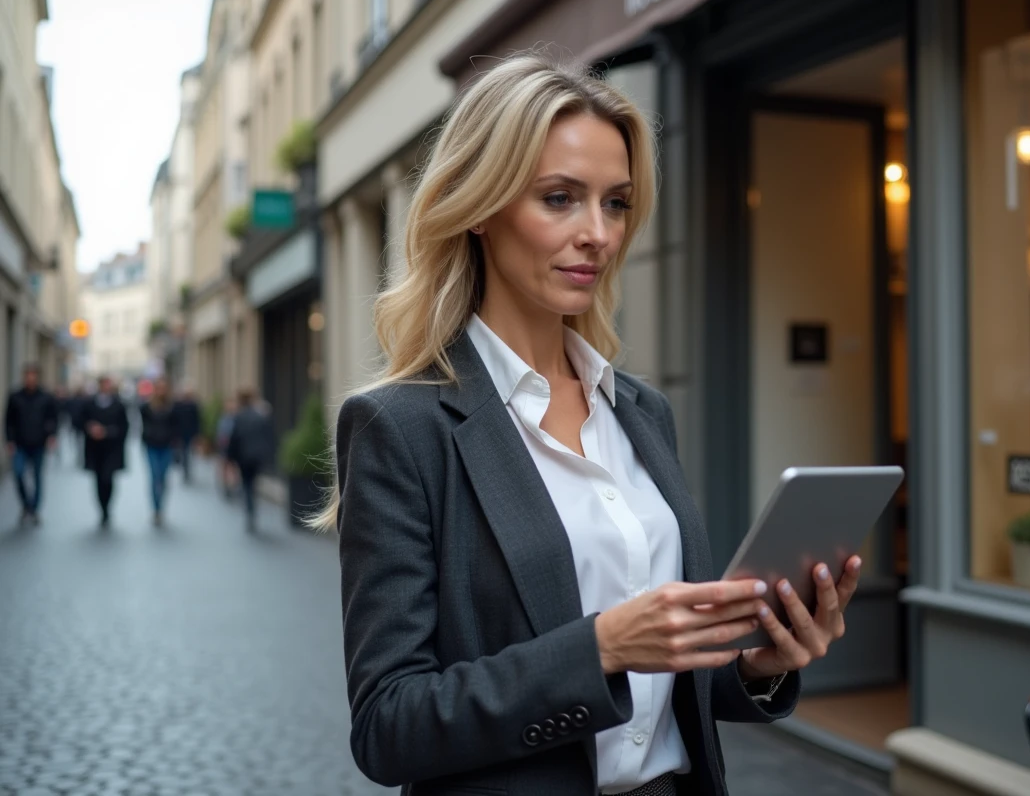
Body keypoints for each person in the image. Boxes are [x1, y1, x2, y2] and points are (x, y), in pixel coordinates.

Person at [317, 53, 862, 795]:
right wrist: (600, 648)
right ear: (480, 206)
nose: (598, 234)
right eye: (560, 198)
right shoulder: (399, 426)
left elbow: (667, 697)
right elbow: (389, 725)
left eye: (615, 203)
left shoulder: (640, 411)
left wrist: (758, 666)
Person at [4, 364, 59, 526]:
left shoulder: (45, 397)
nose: (30, 379)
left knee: (37, 477)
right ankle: (26, 504)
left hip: (38, 443)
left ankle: (34, 509)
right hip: (20, 443)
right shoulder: (15, 397)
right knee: (18, 473)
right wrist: (9, 440)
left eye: (33, 376)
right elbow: (8, 421)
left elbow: (53, 418)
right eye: (28, 376)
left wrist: (51, 436)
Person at [82, 375, 129, 528]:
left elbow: (124, 427)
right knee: (98, 480)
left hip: (112, 449)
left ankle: (107, 508)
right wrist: (91, 428)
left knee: (108, 479)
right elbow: (80, 421)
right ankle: (102, 509)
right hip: (95, 449)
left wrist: (107, 432)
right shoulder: (90, 404)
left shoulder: (118, 405)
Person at [225, 388, 275, 531]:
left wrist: (230, 456)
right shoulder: (259, 415)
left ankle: (249, 507)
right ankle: (251, 505)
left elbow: (234, 438)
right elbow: (268, 436)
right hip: (256, 456)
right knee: (252, 482)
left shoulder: (239, 417)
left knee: (246, 482)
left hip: (243, 456)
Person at [140, 379, 179, 527]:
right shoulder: (146, 407)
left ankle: (161, 505)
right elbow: (144, 425)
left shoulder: (172, 407)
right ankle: (156, 509)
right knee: (154, 476)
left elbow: (176, 427)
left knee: (163, 477)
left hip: (167, 446)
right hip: (152, 446)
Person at [173, 386, 201, 483]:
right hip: (181, 433)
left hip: (190, 433)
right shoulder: (177, 405)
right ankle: (184, 468)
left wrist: (197, 434)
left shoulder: (193, 405)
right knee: (183, 451)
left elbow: (197, 420)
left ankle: (187, 469)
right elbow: (174, 420)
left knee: (188, 452)